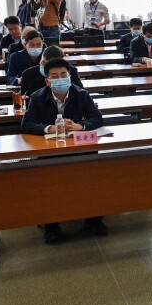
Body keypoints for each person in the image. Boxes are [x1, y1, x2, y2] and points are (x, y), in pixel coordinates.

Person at [21, 57, 106, 243]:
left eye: (63, 75)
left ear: (69, 76)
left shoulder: (81, 94)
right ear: (47, 80)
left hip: (79, 148)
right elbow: (26, 124)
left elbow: (97, 119)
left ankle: (93, 218)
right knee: (50, 181)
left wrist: (80, 126)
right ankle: (51, 223)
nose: (60, 79)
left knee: (91, 175)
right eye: (54, 76)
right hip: (50, 151)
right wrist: (50, 128)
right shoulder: (37, 97)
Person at [20, 45, 84, 96]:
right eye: (43, 62)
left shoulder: (71, 71)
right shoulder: (28, 74)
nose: (44, 67)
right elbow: (23, 97)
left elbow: (80, 93)